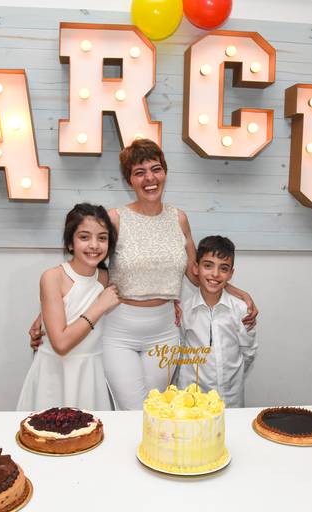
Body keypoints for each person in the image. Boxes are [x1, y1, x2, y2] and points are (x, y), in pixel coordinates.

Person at [31, 139, 257, 410]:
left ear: (165, 173)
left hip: (164, 332)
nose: (150, 178)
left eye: (156, 169)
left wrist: (238, 293)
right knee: (133, 410)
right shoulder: (115, 219)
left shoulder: (179, 219)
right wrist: (48, 312)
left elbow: (200, 274)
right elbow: (87, 267)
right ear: (130, 180)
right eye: (140, 172)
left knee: (153, 409)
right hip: (119, 329)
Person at [16, 203, 120, 411]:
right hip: (55, 372)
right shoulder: (53, 277)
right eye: (84, 237)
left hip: (90, 371)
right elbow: (61, 344)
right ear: (70, 243)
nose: (94, 245)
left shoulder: (105, 276)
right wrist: (99, 307)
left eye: (102, 237)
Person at [176, 235, 258, 408]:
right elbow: (181, 350)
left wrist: (231, 378)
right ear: (196, 268)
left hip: (230, 399)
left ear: (231, 274)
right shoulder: (184, 311)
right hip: (193, 399)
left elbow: (248, 352)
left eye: (223, 268)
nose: (215, 274)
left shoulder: (241, 310)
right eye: (208, 266)